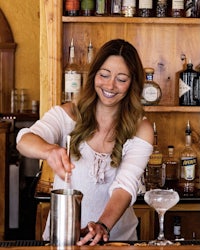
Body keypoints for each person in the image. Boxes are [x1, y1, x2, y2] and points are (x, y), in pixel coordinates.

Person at [16, 39, 154, 245]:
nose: (110, 85)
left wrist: (102, 226)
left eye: (121, 79)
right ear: (93, 75)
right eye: (104, 75)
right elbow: (23, 139)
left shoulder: (141, 128)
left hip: (116, 241)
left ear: (133, 83)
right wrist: (49, 150)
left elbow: (125, 185)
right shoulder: (67, 114)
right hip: (63, 238)